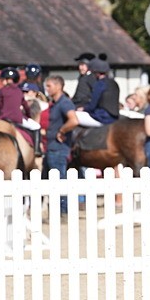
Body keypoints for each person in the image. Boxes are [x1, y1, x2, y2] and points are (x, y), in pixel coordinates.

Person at [43, 75, 79, 213]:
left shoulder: (64, 103)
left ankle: (63, 211)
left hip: (58, 149)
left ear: (58, 86)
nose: (46, 89)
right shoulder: (55, 103)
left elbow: (74, 120)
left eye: (49, 86)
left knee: (59, 181)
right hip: (51, 147)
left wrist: (61, 131)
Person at [75, 58, 120, 127]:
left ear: (96, 73)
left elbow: (92, 106)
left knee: (73, 116)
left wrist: (83, 108)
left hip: (102, 117)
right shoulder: (114, 83)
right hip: (115, 116)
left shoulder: (99, 84)